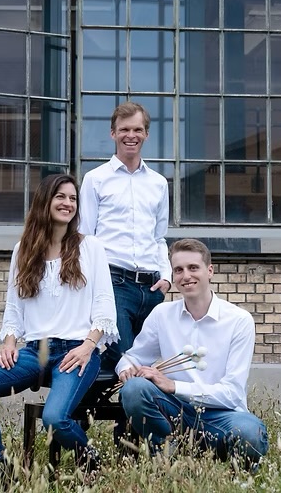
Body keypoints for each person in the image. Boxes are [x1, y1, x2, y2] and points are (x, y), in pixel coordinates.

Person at [0, 174, 118, 478]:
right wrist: (8, 343)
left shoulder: (91, 248)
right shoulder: (24, 250)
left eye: (73, 198)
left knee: (55, 419)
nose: (68, 203)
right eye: (61, 196)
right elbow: (14, 308)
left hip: (76, 352)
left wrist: (88, 346)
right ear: (45, 201)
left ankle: (90, 459)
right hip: (34, 352)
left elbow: (104, 306)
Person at [116, 238, 268, 469]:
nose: (185, 276)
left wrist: (174, 386)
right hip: (175, 413)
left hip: (221, 416)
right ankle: (169, 451)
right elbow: (133, 356)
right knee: (134, 389)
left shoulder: (239, 320)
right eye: (178, 270)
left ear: (210, 271)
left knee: (251, 432)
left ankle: (217, 457)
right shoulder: (162, 314)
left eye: (193, 268)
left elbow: (232, 394)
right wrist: (126, 368)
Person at [79, 101, 172, 373]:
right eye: (124, 129)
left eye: (137, 129)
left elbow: (159, 237)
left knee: (143, 360)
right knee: (128, 357)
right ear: (113, 133)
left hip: (152, 287)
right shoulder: (95, 179)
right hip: (113, 283)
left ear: (146, 134)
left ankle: (116, 412)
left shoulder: (158, 183)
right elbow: (85, 236)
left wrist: (166, 277)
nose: (131, 135)